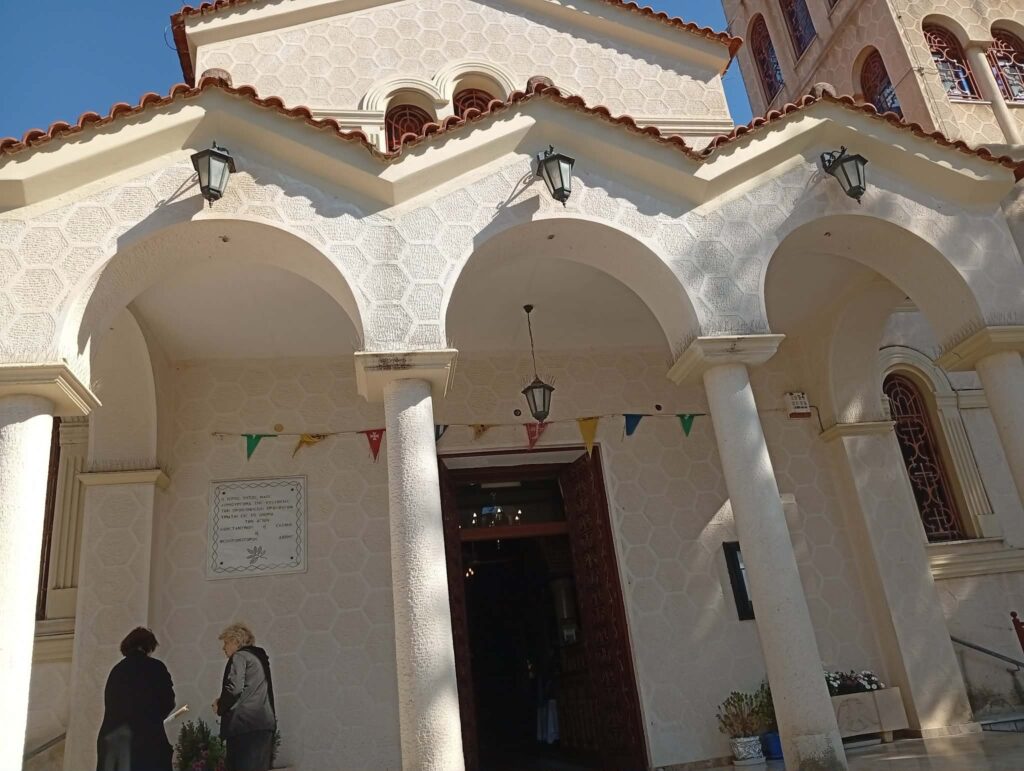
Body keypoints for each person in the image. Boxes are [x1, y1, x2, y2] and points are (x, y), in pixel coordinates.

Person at [96, 627, 175, 771]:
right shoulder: (156, 667)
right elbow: (168, 702)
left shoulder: (116, 671)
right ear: (148, 646)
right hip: (147, 743)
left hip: (113, 744)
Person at [214, 623, 276, 771]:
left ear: (236, 641)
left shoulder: (239, 657)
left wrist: (220, 706)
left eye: (226, 643)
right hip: (263, 725)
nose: (223, 648)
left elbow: (234, 689)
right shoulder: (259, 658)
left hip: (243, 726)